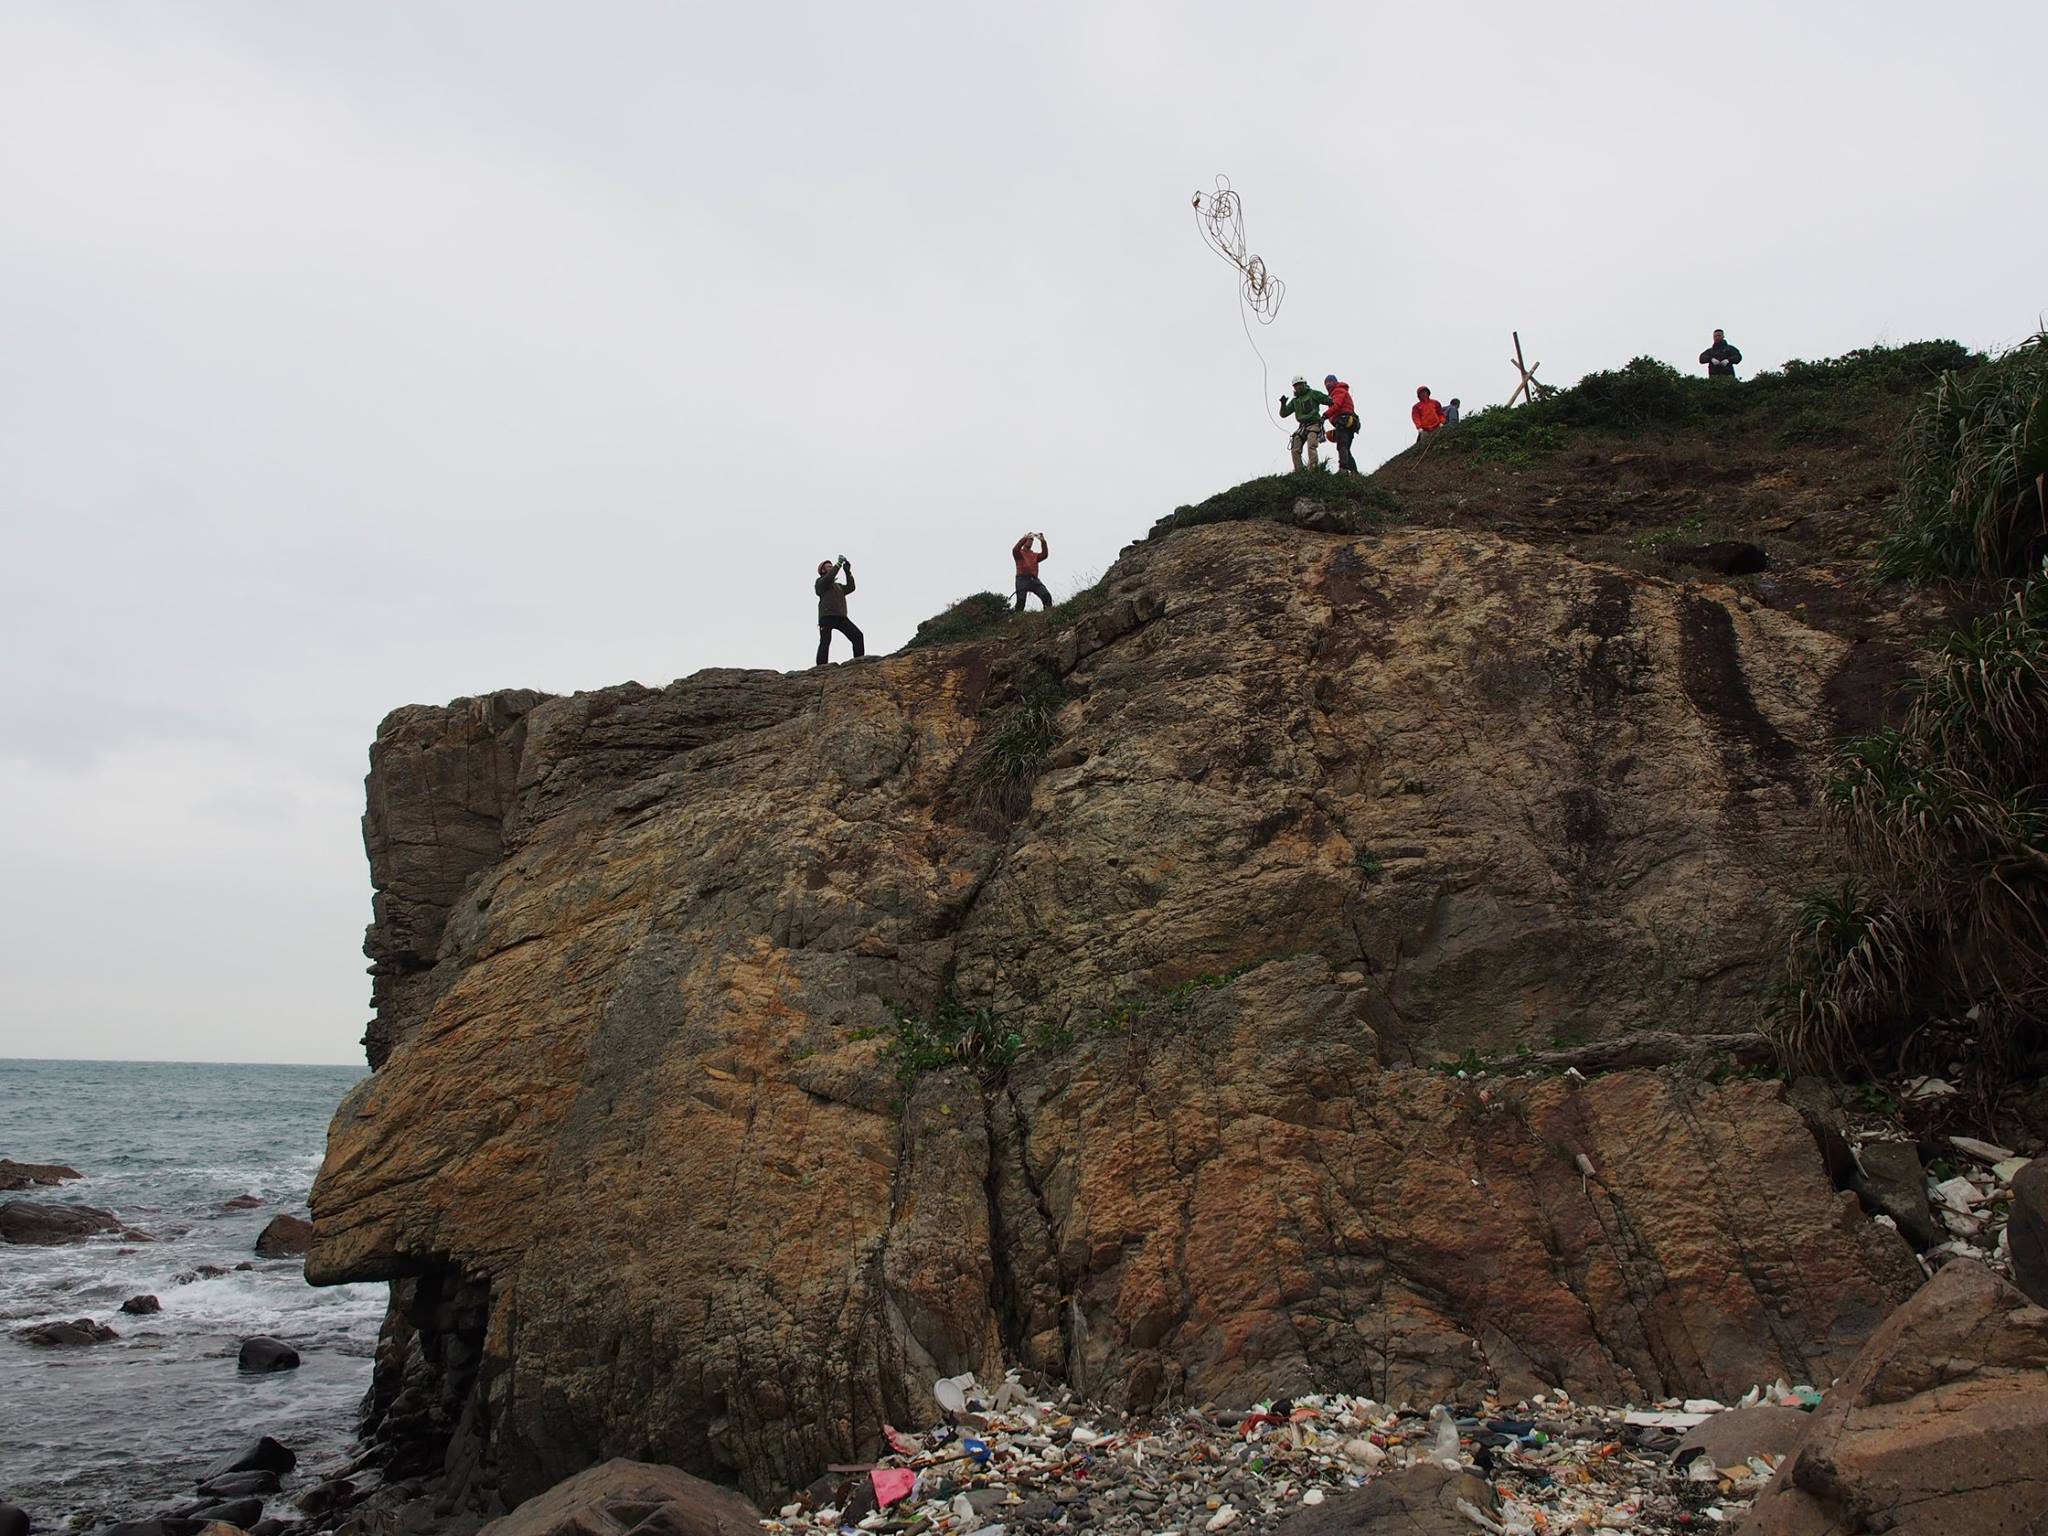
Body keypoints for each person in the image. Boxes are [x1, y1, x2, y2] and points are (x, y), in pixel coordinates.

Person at [815, 556, 863, 665]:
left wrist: (847, 572)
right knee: (825, 642)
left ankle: (859, 662)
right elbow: (829, 577)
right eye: (829, 566)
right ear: (823, 570)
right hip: (827, 616)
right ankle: (821, 667)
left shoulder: (838, 586)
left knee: (857, 636)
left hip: (840, 616)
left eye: (832, 566)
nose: (831, 568)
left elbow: (851, 587)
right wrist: (839, 564)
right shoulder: (820, 583)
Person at [1280, 375, 1331, 471]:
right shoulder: (1295, 401)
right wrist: (1283, 404)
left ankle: (1313, 469)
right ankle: (1299, 472)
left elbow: (1328, 400)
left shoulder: (1313, 394)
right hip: (1302, 426)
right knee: (1295, 449)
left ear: (1304, 384)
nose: (1298, 387)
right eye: (1295, 385)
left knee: (1311, 446)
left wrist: (1334, 402)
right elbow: (1283, 414)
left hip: (1314, 424)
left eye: (1300, 384)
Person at [1323, 373, 1361, 474]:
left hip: (1343, 421)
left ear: (1335, 382)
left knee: (1342, 445)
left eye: (1330, 382)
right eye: (1326, 383)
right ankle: (1354, 472)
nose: (1328, 384)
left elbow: (1337, 405)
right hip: (1349, 422)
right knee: (1346, 448)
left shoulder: (1338, 391)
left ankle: (1343, 469)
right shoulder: (1339, 391)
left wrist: (1325, 415)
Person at [1013, 531, 1052, 612]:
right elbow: (1015, 549)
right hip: (1021, 579)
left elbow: (1044, 555)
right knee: (1021, 602)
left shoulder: (1034, 555)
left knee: (1046, 596)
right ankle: (1015, 620)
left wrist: (1043, 541)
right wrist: (1025, 537)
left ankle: (1048, 615)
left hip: (1034, 580)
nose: (1030, 541)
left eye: (1031, 540)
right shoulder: (1019, 553)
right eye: (1029, 539)